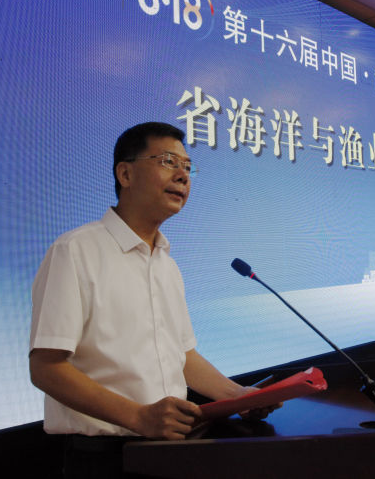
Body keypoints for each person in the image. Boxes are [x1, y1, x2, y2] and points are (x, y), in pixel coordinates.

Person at [29, 122, 272, 478]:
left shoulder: (166, 265)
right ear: (125, 174)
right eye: (168, 162)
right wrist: (139, 417)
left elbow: (183, 356)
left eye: (187, 167)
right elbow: (46, 368)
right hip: (104, 459)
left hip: (170, 450)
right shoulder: (75, 251)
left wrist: (238, 396)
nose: (183, 176)